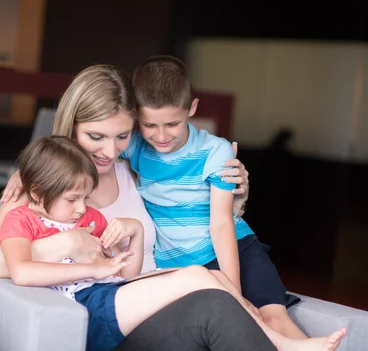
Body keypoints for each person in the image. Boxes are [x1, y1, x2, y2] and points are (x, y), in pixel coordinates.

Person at [0, 65, 346, 350]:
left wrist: (236, 190)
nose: (108, 151)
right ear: (70, 126)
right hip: (115, 313)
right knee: (214, 305)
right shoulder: (44, 189)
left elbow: (195, 212)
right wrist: (62, 246)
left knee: (214, 298)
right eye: (95, 136)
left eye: (122, 136)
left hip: (158, 295)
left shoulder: (135, 168)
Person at [121, 55, 307, 339]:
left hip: (237, 249)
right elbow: (82, 149)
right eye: (149, 125)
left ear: (191, 108)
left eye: (172, 124)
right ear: (135, 116)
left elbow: (221, 224)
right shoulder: (131, 145)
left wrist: (232, 292)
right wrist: (25, 175)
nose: (160, 136)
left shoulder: (214, 151)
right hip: (183, 266)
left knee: (273, 318)